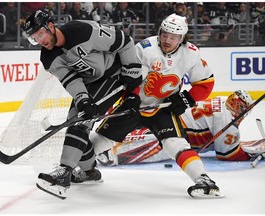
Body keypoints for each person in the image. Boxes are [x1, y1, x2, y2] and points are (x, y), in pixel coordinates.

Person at [91, 13, 223, 198]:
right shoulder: (145, 48)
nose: (167, 40)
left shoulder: (191, 53)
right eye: (165, 34)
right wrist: (132, 99)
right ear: (160, 32)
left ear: (182, 39)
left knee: (175, 144)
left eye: (174, 37)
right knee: (99, 140)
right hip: (135, 105)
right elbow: (132, 79)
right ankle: (84, 170)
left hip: (165, 108)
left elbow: (205, 82)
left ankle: (204, 180)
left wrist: (187, 99)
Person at [21, 10, 142, 199]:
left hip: (113, 74)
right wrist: (82, 99)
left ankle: (64, 172)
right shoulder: (48, 58)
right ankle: (89, 171)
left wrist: (132, 71)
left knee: (79, 122)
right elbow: (71, 80)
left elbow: (124, 41)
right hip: (90, 82)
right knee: (75, 119)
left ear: (51, 26)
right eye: (35, 38)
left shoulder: (82, 32)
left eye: (41, 34)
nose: (40, 40)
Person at [95, 90, 265, 165]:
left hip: (174, 117)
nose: (243, 113)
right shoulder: (228, 123)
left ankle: (108, 145)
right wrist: (249, 154)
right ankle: (113, 154)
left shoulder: (221, 100)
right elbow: (227, 155)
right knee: (156, 150)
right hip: (183, 132)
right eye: (243, 108)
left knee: (146, 133)